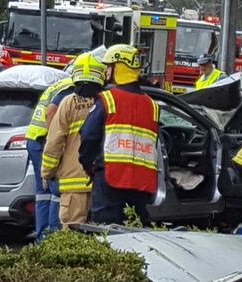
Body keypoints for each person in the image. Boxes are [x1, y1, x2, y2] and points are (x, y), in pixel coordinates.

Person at [79, 44, 160, 225]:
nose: (106, 71)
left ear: (119, 66)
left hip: (110, 177)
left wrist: (87, 164)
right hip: (142, 184)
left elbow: (88, 136)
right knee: (136, 231)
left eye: (109, 66)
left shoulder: (107, 99)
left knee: (106, 232)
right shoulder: (153, 105)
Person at [41, 52, 106, 226]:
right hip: (102, 183)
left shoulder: (68, 102)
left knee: (72, 237)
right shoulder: (108, 102)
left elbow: (54, 140)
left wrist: (47, 172)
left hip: (73, 183)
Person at [25, 77, 74, 241]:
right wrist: (56, 142)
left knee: (43, 193)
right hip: (44, 141)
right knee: (56, 190)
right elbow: (51, 112)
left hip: (35, 139)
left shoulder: (62, 83)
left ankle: (43, 240)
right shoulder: (70, 88)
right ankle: (51, 238)